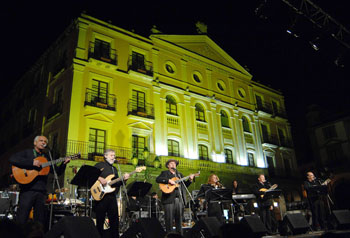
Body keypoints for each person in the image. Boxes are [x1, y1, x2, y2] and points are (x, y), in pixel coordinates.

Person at [8, 135, 70, 228]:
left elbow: (57, 171)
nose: (43, 143)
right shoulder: (27, 153)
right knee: (22, 218)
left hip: (41, 192)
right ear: (35, 143)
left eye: (45, 141)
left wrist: (64, 164)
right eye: (41, 140)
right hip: (27, 190)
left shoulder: (47, 157)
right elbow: (12, 159)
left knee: (39, 221)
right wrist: (31, 163)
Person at [94, 149, 130, 238]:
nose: (113, 157)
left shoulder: (114, 169)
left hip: (112, 195)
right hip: (100, 195)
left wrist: (124, 180)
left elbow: (117, 183)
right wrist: (99, 178)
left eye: (114, 155)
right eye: (111, 155)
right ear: (105, 156)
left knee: (114, 219)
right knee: (100, 218)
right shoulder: (99, 165)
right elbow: (91, 174)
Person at [156, 159, 194, 235]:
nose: (173, 165)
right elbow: (158, 179)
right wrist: (168, 181)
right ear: (168, 166)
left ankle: (179, 235)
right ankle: (169, 235)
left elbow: (184, 186)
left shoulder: (180, 175)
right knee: (169, 219)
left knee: (179, 219)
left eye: (174, 163)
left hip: (179, 199)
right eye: (171, 163)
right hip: (169, 199)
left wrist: (190, 180)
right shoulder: (165, 173)